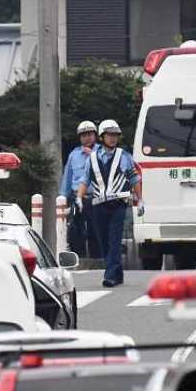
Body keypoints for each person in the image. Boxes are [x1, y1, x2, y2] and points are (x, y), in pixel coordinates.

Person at [76, 119, 142, 288]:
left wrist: (140, 200)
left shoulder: (124, 156)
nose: (113, 138)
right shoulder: (92, 158)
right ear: (102, 137)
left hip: (118, 203)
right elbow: (85, 179)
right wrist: (79, 198)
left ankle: (110, 276)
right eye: (109, 135)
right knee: (104, 241)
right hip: (98, 204)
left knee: (114, 239)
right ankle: (117, 272)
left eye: (115, 135)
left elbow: (134, 178)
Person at [60, 121, 101, 258]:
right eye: (83, 135)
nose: (86, 138)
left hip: (96, 197)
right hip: (77, 198)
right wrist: (63, 198)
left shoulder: (102, 152)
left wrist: (92, 156)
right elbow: (68, 177)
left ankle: (98, 260)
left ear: (95, 136)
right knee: (75, 230)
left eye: (89, 134)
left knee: (96, 230)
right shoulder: (74, 155)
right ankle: (79, 259)